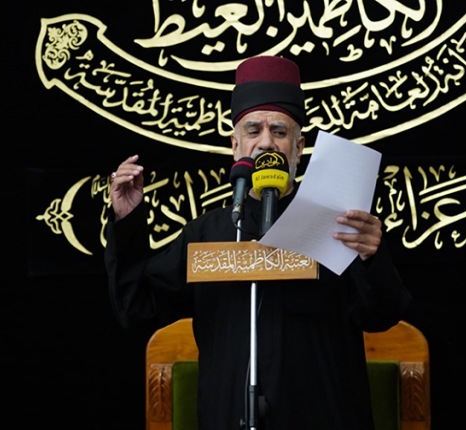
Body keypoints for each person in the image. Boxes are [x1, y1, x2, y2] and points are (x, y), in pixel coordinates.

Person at [105, 56, 411, 430]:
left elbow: (381, 315)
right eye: (253, 130)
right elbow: (137, 307)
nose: (266, 142)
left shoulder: (339, 227)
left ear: (298, 148)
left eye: (280, 131)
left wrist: (371, 257)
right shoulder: (207, 234)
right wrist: (127, 222)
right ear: (236, 146)